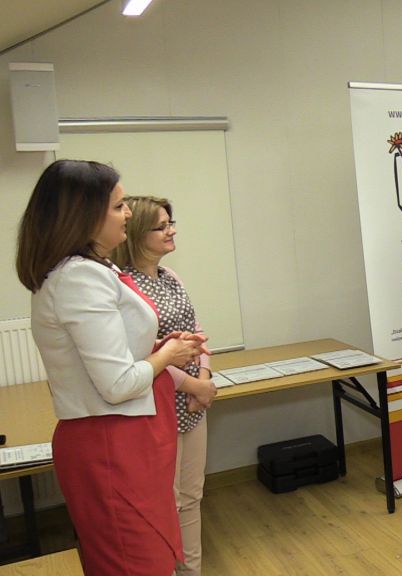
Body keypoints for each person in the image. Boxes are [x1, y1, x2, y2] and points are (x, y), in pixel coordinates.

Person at [16, 160, 206, 575]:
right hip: (110, 445)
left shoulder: (96, 269)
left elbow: (115, 350)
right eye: (118, 206)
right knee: (134, 562)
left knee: (151, 556)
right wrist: (167, 356)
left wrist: (162, 348)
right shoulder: (78, 278)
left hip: (129, 438)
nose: (128, 213)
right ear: (83, 215)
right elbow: (117, 383)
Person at [112, 196, 217, 576]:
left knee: (191, 497)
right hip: (157, 408)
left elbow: (197, 332)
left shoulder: (171, 276)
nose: (171, 231)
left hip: (193, 405)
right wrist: (194, 386)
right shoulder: (126, 288)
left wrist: (203, 378)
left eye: (171, 223)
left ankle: (192, 572)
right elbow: (142, 355)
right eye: (161, 226)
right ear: (138, 232)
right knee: (165, 505)